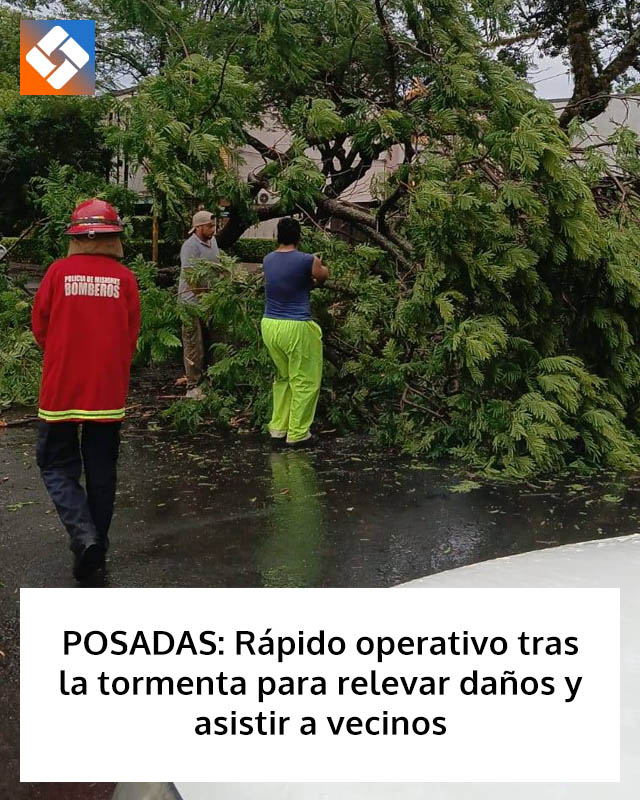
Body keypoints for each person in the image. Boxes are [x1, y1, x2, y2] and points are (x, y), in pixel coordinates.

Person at [31, 198, 140, 580]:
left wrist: (63, 353)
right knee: (102, 471)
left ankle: (84, 536)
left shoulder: (57, 273)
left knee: (55, 464)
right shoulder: (125, 279)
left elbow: (40, 327)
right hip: (107, 390)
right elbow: (131, 336)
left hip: (61, 387)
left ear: (76, 237)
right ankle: (97, 545)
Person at [261, 217, 329, 447]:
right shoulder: (308, 260)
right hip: (297, 326)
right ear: (299, 237)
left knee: (283, 378)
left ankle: (278, 429)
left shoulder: (268, 259)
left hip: (270, 325)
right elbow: (323, 275)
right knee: (305, 380)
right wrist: (319, 266)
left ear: (277, 236)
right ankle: (298, 433)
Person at [178, 209, 220, 399]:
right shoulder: (190, 246)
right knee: (194, 344)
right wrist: (204, 299)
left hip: (210, 302)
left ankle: (209, 380)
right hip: (191, 303)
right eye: (209, 226)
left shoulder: (213, 242)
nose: (213, 229)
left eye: (214, 225)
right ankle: (193, 386)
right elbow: (191, 277)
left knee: (211, 342)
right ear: (198, 227)